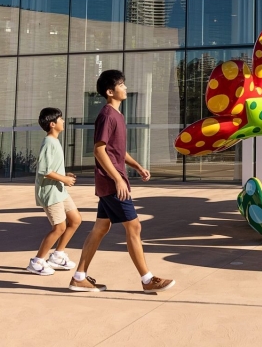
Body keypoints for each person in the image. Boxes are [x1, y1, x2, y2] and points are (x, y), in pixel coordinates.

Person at [69, 70, 175, 293]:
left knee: (101, 227)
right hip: (111, 183)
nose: (125, 88)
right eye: (121, 85)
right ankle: (147, 280)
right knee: (134, 226)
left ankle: (79, 277)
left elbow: (117, 151)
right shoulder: (107, 115)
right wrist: (118, 179)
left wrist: (137, 167)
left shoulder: (118, 115)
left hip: (111, 181)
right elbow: (99, 150)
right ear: (110, 92)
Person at [28, 108, 82, 275]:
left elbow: (52, 168)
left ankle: (57, 256)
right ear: (52, 124)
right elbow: (44, 170)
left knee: (75, 220)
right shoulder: (48, 143)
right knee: (59, 227)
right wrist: (64, 179)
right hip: (50, 192)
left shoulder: (55, 141)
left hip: (59, 190)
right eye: (60, 119)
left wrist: (64, 176)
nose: (63, 121)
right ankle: (37, 262)